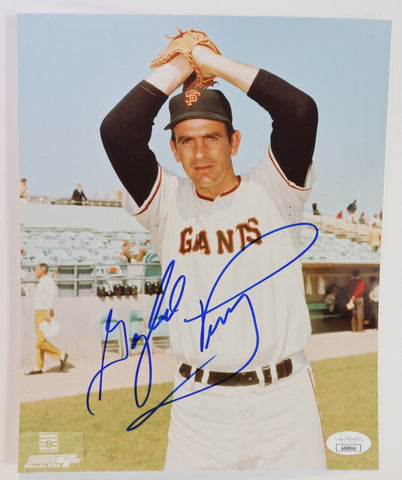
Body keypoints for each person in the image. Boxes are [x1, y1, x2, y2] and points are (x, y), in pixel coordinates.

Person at [100, 32, 326, 470]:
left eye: (211, 138)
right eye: (186, 140)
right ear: (173, 149)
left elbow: (299, 111)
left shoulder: (274, 189)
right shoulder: (166, 203)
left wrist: (208, 59)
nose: (200, 152)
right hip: (199, 409)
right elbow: (117, 131)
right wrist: (182, 67)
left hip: (284, 404)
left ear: (234, 141)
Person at [26, 263, 68, 375]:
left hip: (44, 312)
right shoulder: (41, 281)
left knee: (40, 341)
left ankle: (61, 355)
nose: (35, 271)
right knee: (39, 341)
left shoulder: (48, 281)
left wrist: (48, 312)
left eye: (37, 269)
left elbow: (50, 297)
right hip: (38, 312)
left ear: (43, 270)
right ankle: (38, 367)